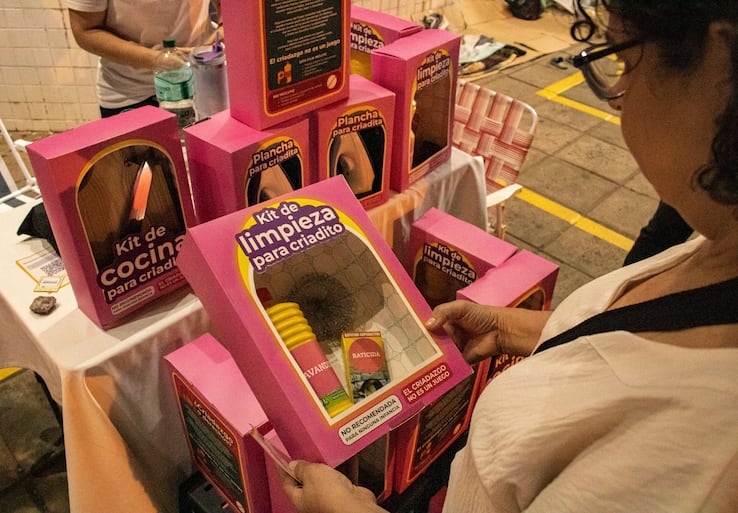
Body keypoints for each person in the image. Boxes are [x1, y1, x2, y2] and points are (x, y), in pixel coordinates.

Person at [280, 1, 738, 511]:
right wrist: (513, 328)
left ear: (718, 67)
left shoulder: (703, 456)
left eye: (627, 63)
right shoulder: (714, 245)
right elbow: (631, 337)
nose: (617, 99)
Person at [67, 0, 218, 118]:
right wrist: (157, 60)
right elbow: (85, 31)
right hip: (131, 92)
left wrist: (224, 28)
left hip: (203, 80)